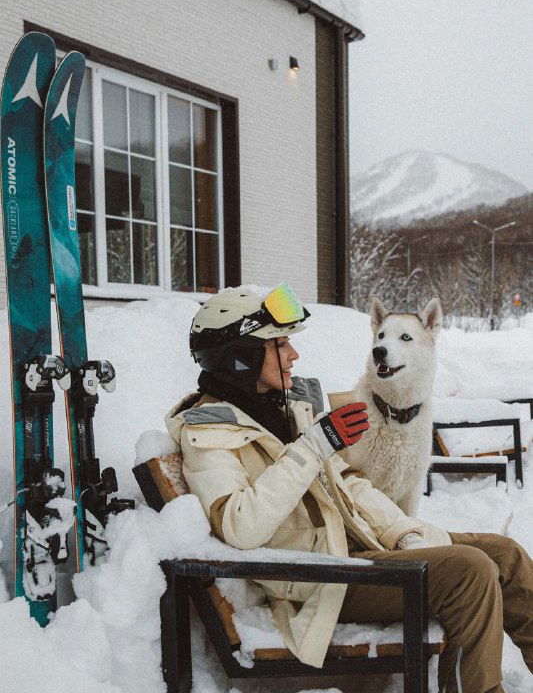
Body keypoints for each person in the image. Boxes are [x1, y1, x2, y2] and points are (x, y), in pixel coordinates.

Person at [165, 283, 533, 693]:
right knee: (471, 571)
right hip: (321, 576)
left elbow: (349, 483)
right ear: (241, 358)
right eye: (279, 345)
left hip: (352, 545)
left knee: (507, 555)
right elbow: (240, 525)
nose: (293, 355)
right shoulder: (209, 431)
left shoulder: (279, 410)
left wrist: (404, 531)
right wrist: (313, 446)